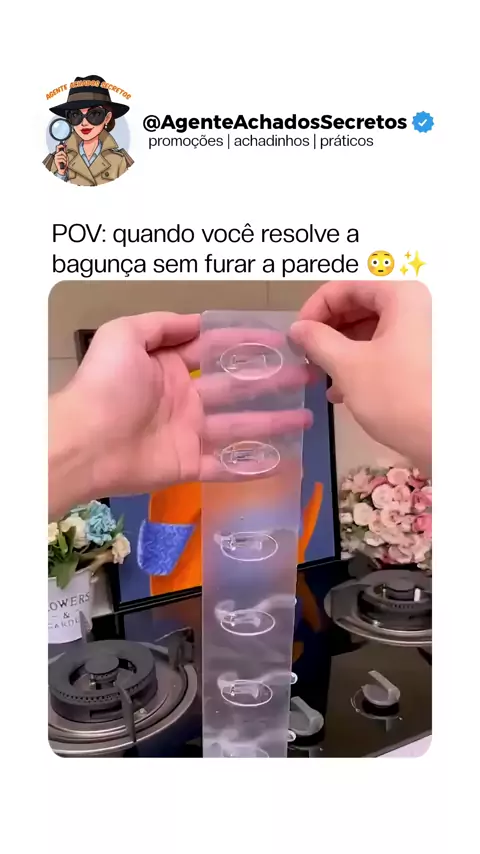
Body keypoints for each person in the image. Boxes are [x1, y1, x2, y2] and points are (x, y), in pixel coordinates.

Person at [49, 280, 431, 520]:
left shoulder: (301, 491)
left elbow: (158, 561)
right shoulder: (178, 490)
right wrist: (91, 440)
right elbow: (158, 562)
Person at [43, 76, 133, 186]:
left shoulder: (120, 161)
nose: (84, 123)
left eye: (94, 114)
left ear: (107, 118)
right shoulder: (57, 159)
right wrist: (61, 173)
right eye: (76, 115)